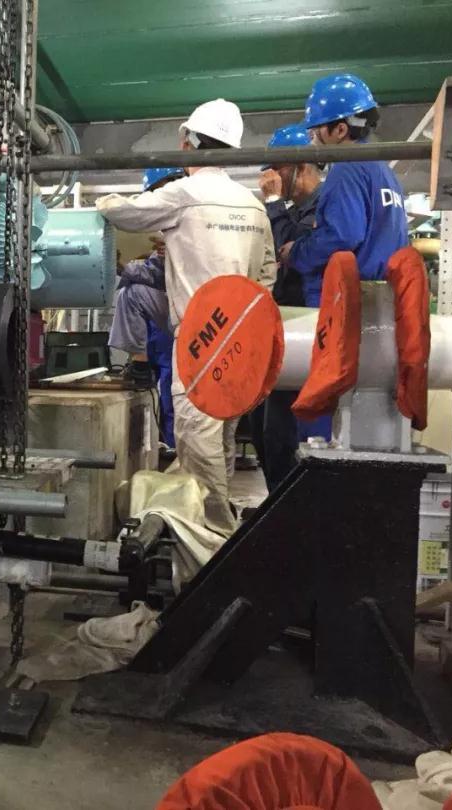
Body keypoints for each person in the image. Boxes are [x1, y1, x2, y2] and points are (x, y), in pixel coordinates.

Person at [96, 99, 277, 534]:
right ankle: (221, 522)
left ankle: (211, 538)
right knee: (223, 433)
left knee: (197, 438)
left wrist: (101, 200)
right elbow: (268, 271)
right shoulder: (253, 204)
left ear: (189, 143)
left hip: (202, 338)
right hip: (244, 337)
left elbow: (124, 213)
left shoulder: (186, 193)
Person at [282, 73, 409, 306]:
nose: (312, 141)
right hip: (377, 298)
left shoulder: (347, 168)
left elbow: (342, 236)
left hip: (346, 303)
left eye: (315, 132)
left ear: (340, 130)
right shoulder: (384, 172)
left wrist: (296, 252)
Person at [249, 124, 325, 491]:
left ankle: (289, 508)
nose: (270, 178)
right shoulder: (297, 211)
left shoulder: (322, 207)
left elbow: (291, 252)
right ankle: (277, 506)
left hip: (305, 333)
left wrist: (274, 204)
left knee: (282, 434)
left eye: (277, 169)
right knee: (263, 431)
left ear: (300, 166)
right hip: (282, 330)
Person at [109, 166, 185, 448]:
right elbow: (153, 274)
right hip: (172, 322)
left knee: (180, 398)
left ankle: (182, 453)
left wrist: (179, 252)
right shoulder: (165, 234)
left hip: (202, 312)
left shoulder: (193, 218)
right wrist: (121, 267)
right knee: (131, 292)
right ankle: (170, 450)